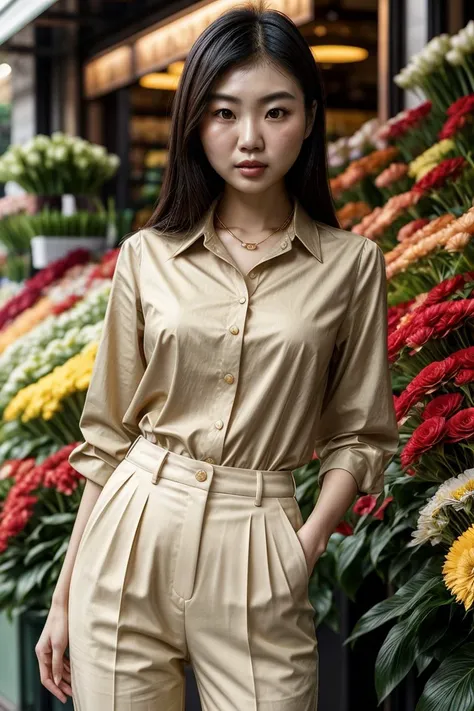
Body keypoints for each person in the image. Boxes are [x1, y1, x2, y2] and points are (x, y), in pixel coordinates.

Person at [35, 1, 399, 709]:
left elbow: (360, 432)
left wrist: (303, 547)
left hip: (258, 540)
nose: (250, 138)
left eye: (275, 110)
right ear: (195, 122)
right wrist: (62, 597)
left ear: (311, 117)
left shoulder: (352, 266)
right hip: (131, 532)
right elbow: (107, 437)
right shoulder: (147, 256)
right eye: (225, 113)